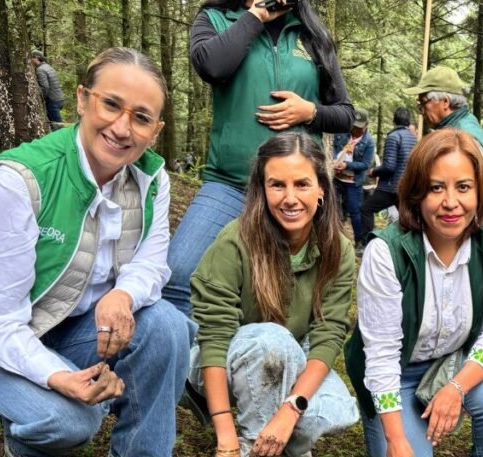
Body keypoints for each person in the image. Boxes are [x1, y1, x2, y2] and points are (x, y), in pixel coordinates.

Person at [0, 47, 192, 457]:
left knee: (167, 324)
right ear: (81, 99)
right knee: (72, 422)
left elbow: (151, 264)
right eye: (111, 104)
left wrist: (123, 296)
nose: (121, 128)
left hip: (67, 327)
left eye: (141, 117)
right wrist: (60, 377)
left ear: (156, 131)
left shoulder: (152, 179)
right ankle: (27, 439)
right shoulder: (20, 179)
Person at [344, 129, 483, 457]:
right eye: (436, 188)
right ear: (416, 194)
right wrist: (395, 438)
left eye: (463, 187)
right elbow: (381, 353)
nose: (451, 203)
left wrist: (455, 389)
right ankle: (389, 419)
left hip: (455, 362)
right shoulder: (386, 252)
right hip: (398, 372)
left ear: (480, 192)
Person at [191, 132, 359, 457]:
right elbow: (214, 339)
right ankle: (254, 453)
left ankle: (280, 433)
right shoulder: (236, 241)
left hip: (288, 354)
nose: (290, 197)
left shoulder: (338, 249)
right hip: (226, 359)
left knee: (335, 412)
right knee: (273, 341)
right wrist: (227, 443)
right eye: (277, 184)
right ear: (261, 189)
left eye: (302, 184)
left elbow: (329, 333)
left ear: (321, 190)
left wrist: (291, 408)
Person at [162, 0, 354, 317]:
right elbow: (212, 66)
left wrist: (311, 112)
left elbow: (345, 114)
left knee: (286, 297)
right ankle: (198, 360)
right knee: (179, 275)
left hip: (294, 192)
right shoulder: (216, 18)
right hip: (229, 184)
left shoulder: (311, 33)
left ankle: (270, 359)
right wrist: (255, 17)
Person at [403, 66, 483, 179]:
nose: (422, 112)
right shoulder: (467, 122)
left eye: (423, 103)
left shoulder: (462, 137)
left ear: (445, 102)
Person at [362, 107, 417, 241]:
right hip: (406, 186)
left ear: (394, 120)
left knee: (366, 209)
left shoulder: (393, 136)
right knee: (406, 218)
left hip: (391, 187)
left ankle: (365, 243)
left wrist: (373, 172)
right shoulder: (413, 138)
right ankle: (407, 244)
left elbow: (389, 166)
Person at [332, 108, 375, 244]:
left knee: (354, 211)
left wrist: (347, 165)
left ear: (366, 125)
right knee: (334, 209)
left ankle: (359, 241)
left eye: (359, 127)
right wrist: (334, 160)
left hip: (353, 182)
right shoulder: (343, 133)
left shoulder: (368, 142)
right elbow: (333, 147)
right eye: (354, 126)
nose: (355, 129)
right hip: (337, 179)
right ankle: (335, 239)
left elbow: (366, 164)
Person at [30, 50, 64, 129]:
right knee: (56, 125)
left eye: (31, 58)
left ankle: (64, 141)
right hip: (59, 99)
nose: (30, 61)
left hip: (53, 101)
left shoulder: (40, 70)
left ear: (36, 58)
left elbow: (44, 87)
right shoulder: (48, 66)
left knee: (57, 127)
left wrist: (39, 99)